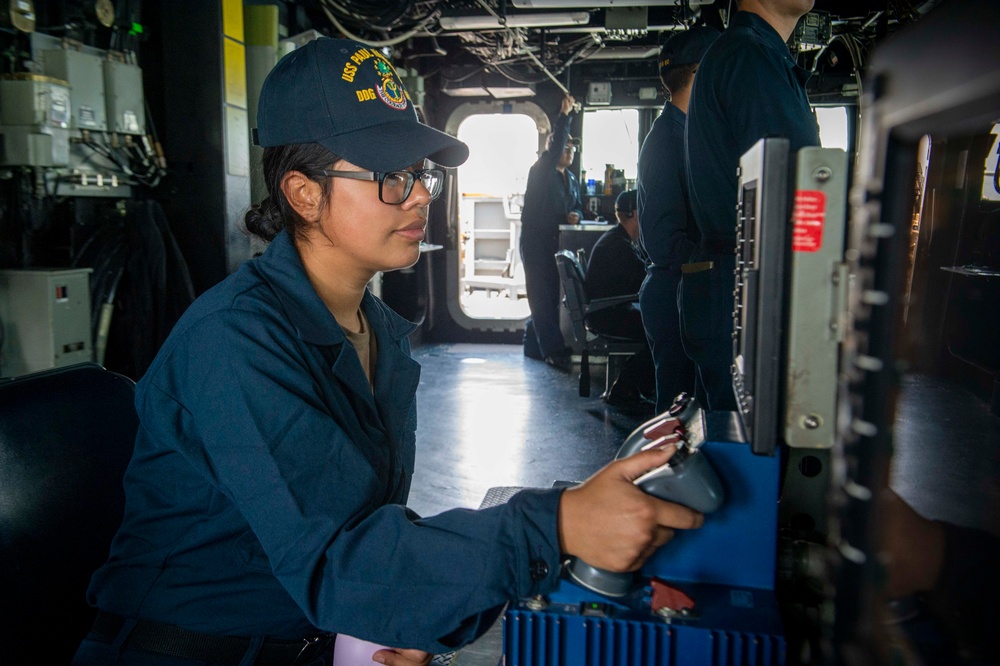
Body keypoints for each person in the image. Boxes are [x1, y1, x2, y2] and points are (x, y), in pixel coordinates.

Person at [71, 37, 704, 666]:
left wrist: (393, 617)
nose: (423, 194)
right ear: (304, 194)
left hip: (310, 639)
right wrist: (555, 525)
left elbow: (358, 542)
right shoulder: (235, 343)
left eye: (420, 174)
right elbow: (338, 563)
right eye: (391, 176)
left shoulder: (375, 328)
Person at [682, 0, 820, 411]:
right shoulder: (749, 57)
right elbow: (793, 192)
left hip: (735, 284)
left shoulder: (751, 53)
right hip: (750, 289)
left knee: (743, 450)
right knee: (755, 456)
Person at [636, 25, 720, 414]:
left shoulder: (685, 132)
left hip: (684, 288)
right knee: (676, 414)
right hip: (675, 292)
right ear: (702, 73)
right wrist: (717, 265)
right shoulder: (668, 140)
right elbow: (662, 237)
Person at [519, 94, 584, 370]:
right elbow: (558, 142)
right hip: (535, 242)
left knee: (549, 297)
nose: (568, 149)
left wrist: (576, 215)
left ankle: (534, 346)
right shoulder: (541, 170)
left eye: (572, 147)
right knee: (542, 296)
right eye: (564, 145)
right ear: (552, 149)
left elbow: (579, 208)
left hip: (555, 244)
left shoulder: (570, 179)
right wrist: (565, 115)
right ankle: (552, 351)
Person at [584, 189, 655, 406]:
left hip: (606, 312)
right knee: (663, 331)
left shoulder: (617, 239)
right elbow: (643, 280)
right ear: (634, 213)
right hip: (609, 316)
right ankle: (625, 387)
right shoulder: (619, 247)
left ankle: (638, 386)